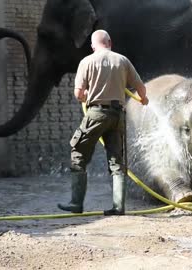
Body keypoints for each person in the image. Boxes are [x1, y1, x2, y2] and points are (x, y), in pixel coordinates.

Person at [57, 30, 149, 215]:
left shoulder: (87, 61)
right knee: (117, 161)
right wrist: (144, 99)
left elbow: (78, 94)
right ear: (110, 42)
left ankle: (76, 204)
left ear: (92, 46)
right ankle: (118, 207)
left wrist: (86, 96)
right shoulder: (122, 60)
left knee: (78, 155)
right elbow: (140, 87)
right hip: (117, 116)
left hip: (96, 114)